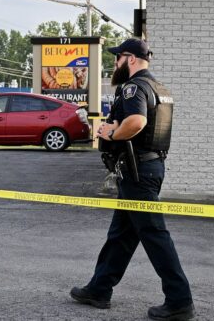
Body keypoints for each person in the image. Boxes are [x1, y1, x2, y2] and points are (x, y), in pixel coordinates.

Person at [70, 38, 194, 321]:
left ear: (132, 59)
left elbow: (137, 122)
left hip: (138, 172)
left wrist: (110, 134)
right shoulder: (159, 89)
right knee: (121, 236)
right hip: (148, 168)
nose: (115, 63)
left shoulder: (133, 87)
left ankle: (179, 300)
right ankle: (99, 289)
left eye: (118, 58)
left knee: (154, 235)